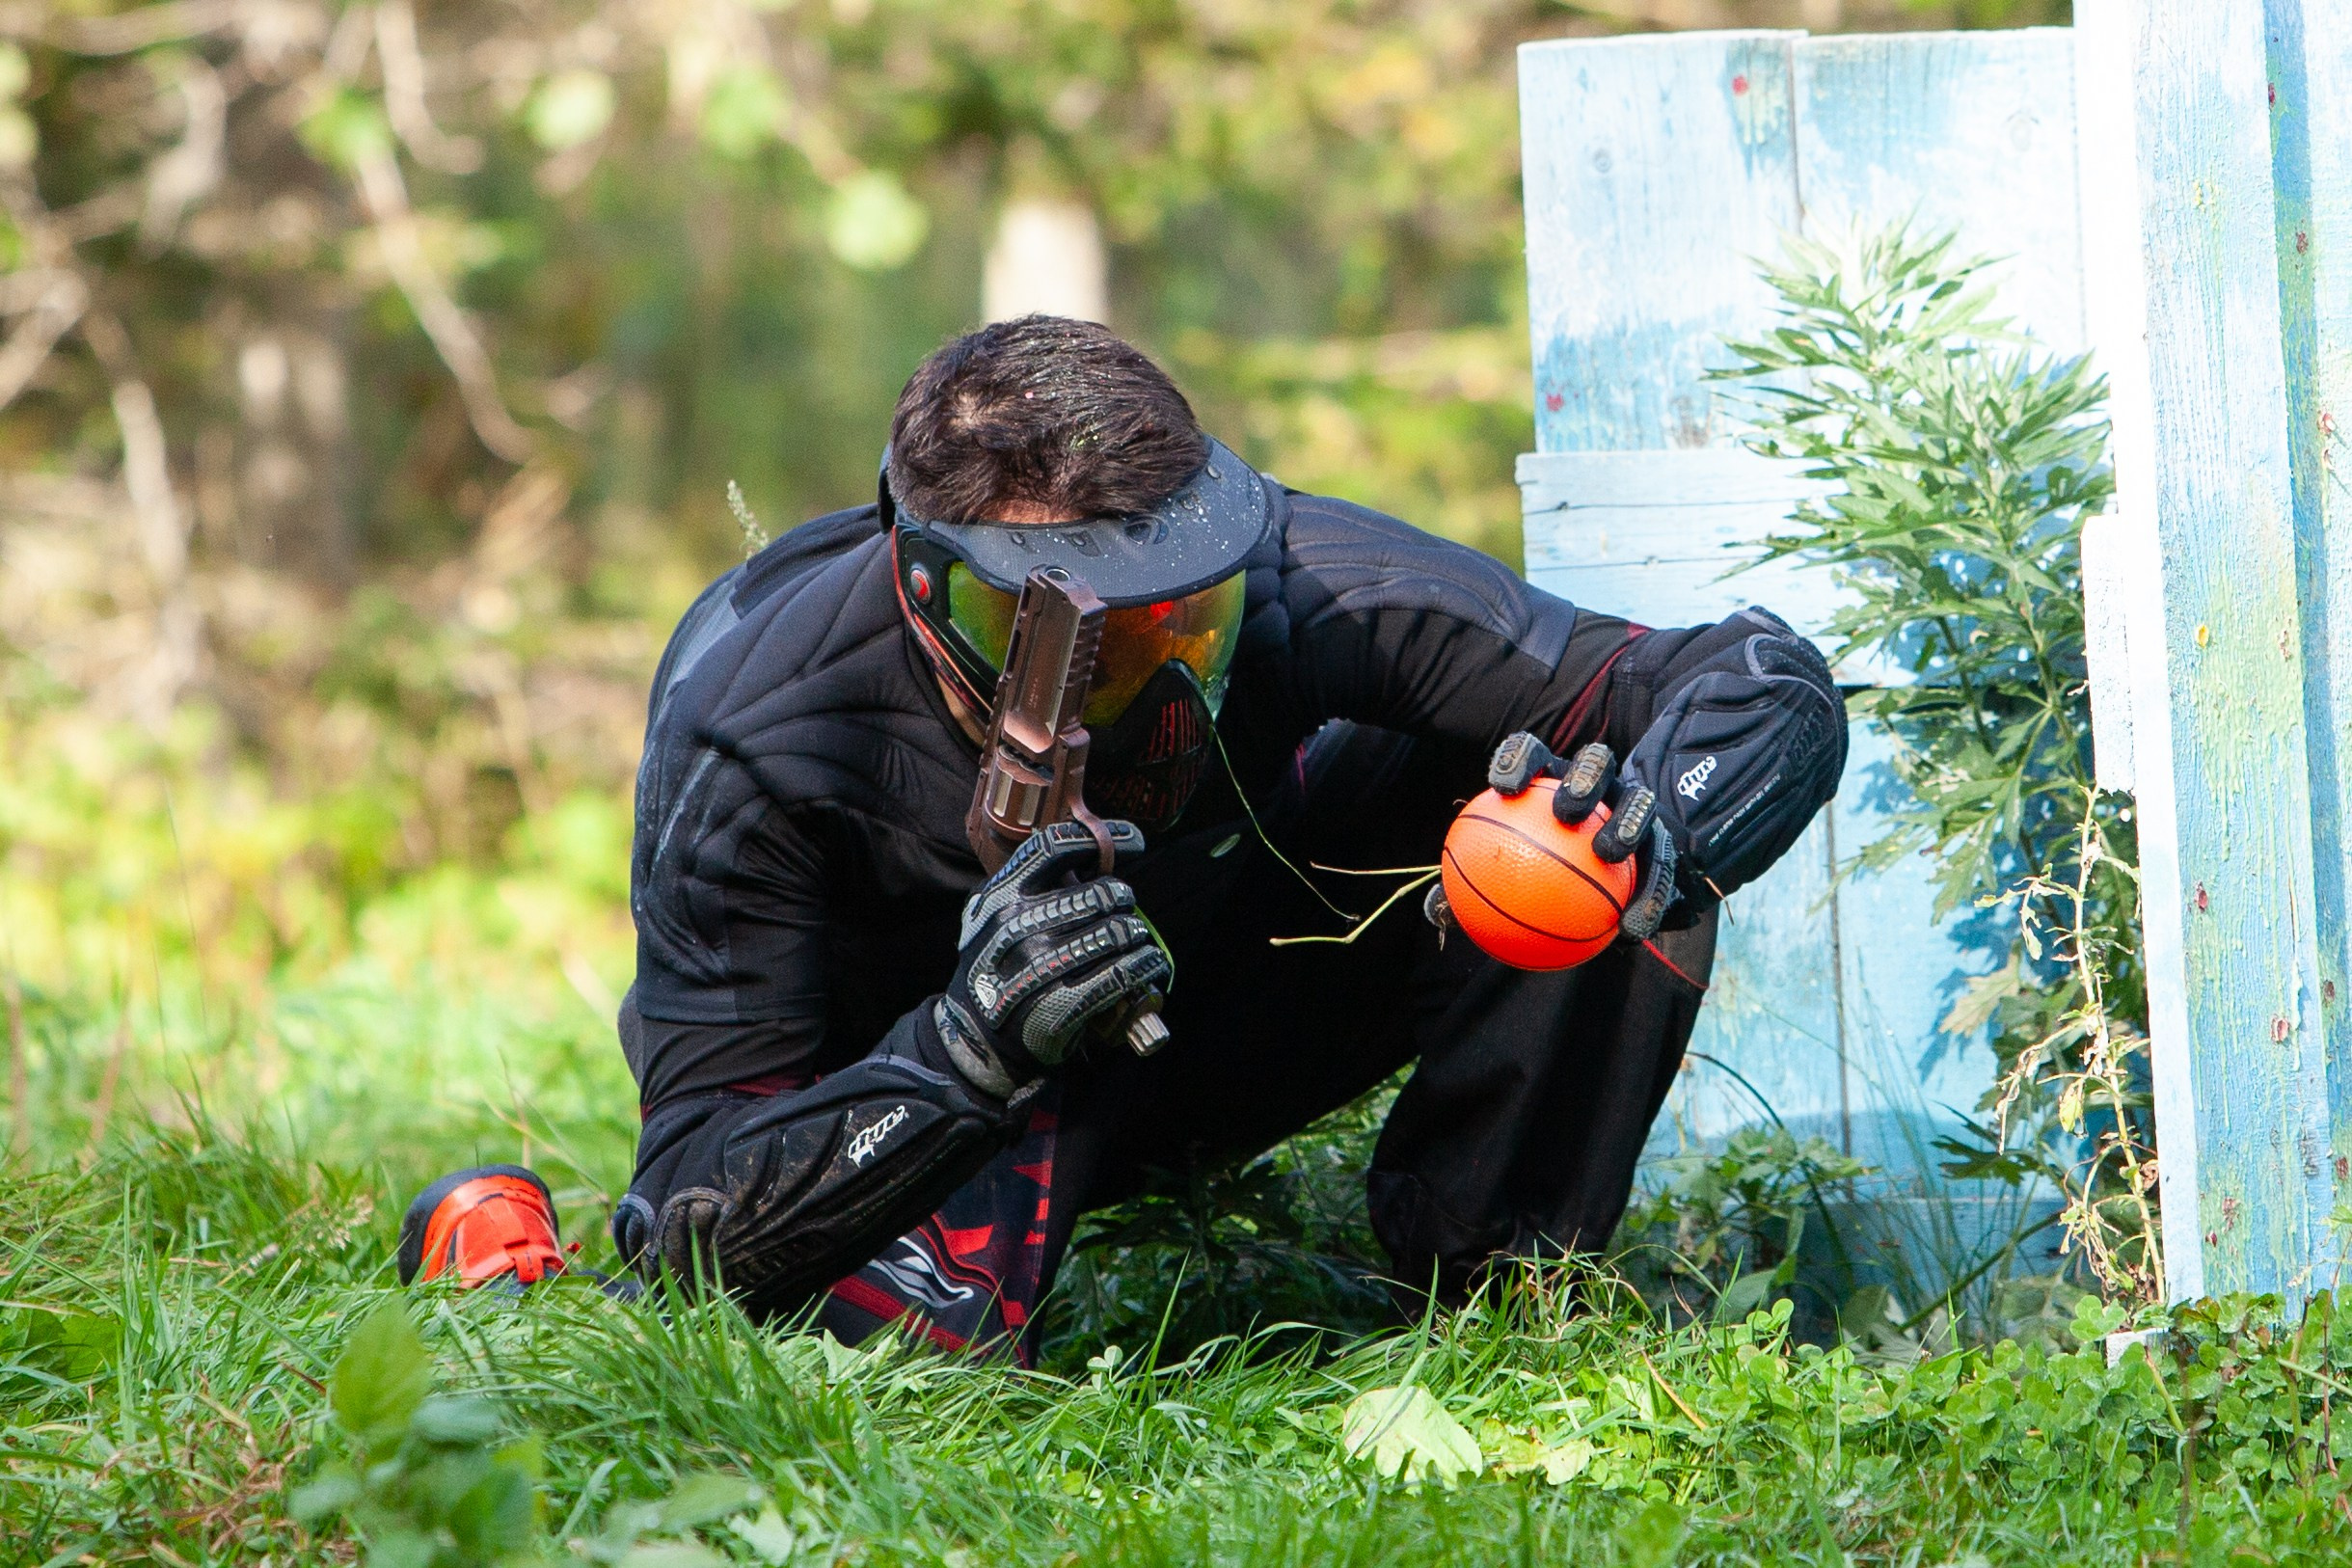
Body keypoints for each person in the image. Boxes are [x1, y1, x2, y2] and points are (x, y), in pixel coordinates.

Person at [397, 315, 1847, 1358]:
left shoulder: (1293, 581)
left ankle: (1502, 1298)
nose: (1159, 677)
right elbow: (696, 1216)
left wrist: (1673, 824)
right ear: (922, 588)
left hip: (1211, 1006)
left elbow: (1740, 679)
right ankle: (496, 1243)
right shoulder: (764, 734)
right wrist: (968, 1043)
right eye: (1083, 637)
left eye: (1186, 613)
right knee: (893, 1348)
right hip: (921, 1077)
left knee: (1590, 802)